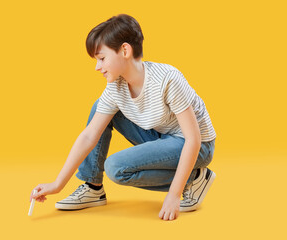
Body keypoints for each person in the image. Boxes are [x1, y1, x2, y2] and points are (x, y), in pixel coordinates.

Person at [30, 14, 217, 221]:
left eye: (102, 58)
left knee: (116, 168)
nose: (97, 67)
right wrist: (57, 184)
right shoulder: (116, 86)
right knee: (99, 108)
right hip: (163, 136)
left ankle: (195, 178)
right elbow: (89, 135)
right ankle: (93, 187)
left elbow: (194, 138)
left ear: (125, 51)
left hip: (197, 145)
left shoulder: (167, 79)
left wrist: (174, 194)